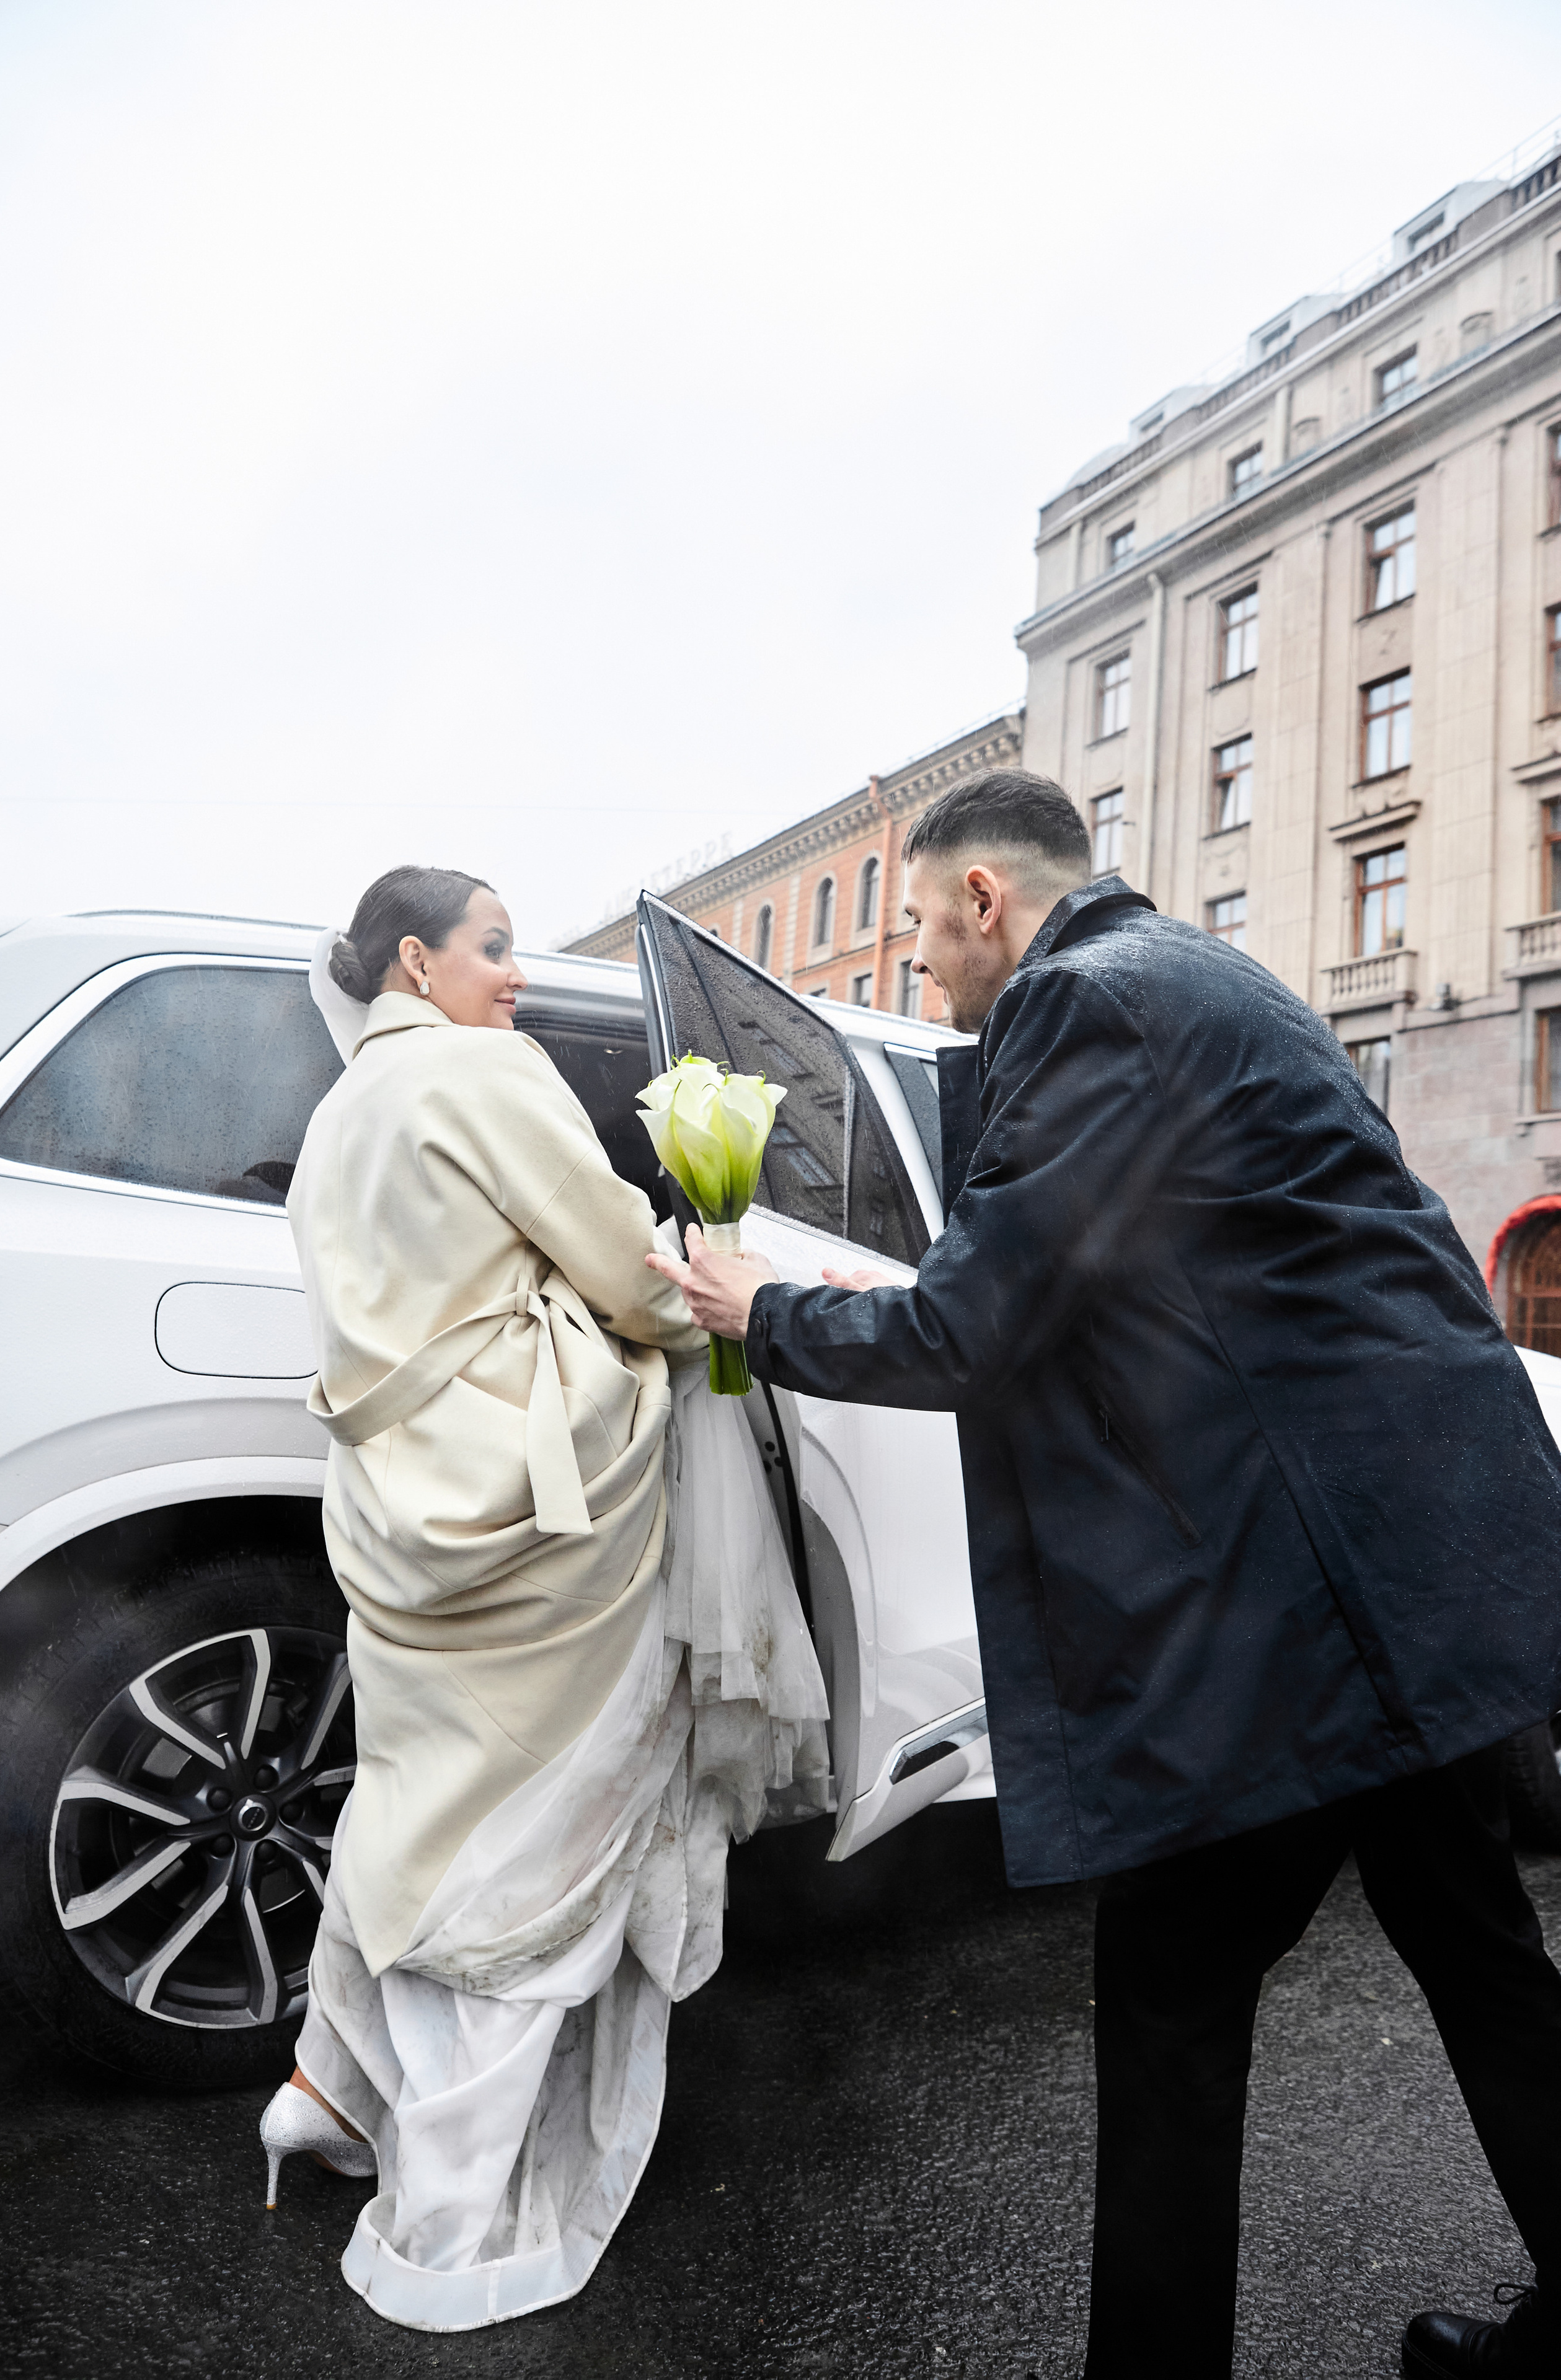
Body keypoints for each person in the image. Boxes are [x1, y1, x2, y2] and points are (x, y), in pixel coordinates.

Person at [647, 769, 1561, 2380]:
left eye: (926, 938)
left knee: (1171, 2022)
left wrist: (754, 1312)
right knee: (1487, 1964)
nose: (927, 972)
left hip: (1310, 1614)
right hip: (1423, 1578)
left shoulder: (1088, 1008)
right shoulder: (1214, 983)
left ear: (988, 900)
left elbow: (971, 1322)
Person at [268, 863, 829, 2330]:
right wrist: (713, 1269)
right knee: (539, 1844)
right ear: (414, 959)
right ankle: (448, 2225)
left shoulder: (339, 1112)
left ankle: (326, 2090)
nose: (514, 976)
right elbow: (620, 1270)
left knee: (415, 1804)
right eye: (496, 947)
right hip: (534, 1525)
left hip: (396, 1512)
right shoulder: (478, 1070)